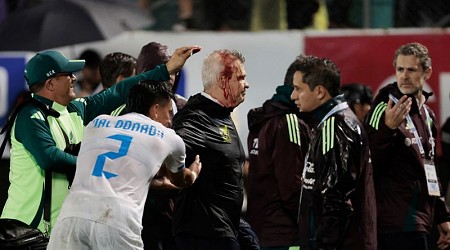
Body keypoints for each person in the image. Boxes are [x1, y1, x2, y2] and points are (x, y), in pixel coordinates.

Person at [0, 46, 199, 235]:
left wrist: (165, 70)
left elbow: (121, 90)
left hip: (60, 228)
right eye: (67, 74)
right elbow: (49, 157)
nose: (74, 78)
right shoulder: (29, 116)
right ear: (50, 84)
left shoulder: (77, 109)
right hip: (25, 228)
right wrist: (107, 165)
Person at [47, 80, 202, 250]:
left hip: (72, 214)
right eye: (169, 112)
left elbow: (109, 167)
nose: (171, 120)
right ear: (156, 110)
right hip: (116, 219)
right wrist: (193, 173)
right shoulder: (169, 137)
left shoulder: (97, 123)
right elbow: (180, 180)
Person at [364, 42, 450, 250]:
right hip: (394, 223)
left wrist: (441, 216)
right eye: (400, 69)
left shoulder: (428, 115)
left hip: (422, 220)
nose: (404, 76)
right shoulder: (384, 107)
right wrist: (388, 129)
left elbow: (429, 169)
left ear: (426, 72)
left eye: (411, 70)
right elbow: (366, 162)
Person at [290, 54, 377, 250]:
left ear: (320, 92)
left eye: (298, 89)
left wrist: (323, 246)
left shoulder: (335, 127)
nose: (293, 96)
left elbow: (337, 201)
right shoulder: (339, 122)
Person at [172, 49, 249, 249]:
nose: (246, 84)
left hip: (226, 229)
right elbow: (167, 151)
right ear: (223, 80)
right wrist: (185, 176)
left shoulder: (222, 114)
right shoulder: (196, 117)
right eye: (241, 78)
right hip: (202, 235)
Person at [245, 58, 310, 249]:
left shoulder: (263, 118)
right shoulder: (289, 122)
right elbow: (292, 187)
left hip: (261, 230)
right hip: (284, 234)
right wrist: (312, 224)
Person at [135, 41, 188, 250]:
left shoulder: (186, 108)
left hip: (178, 212)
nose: (169, 77)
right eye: (162, 70)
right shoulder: (127, 112)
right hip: (142, 212)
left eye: (174, 71)